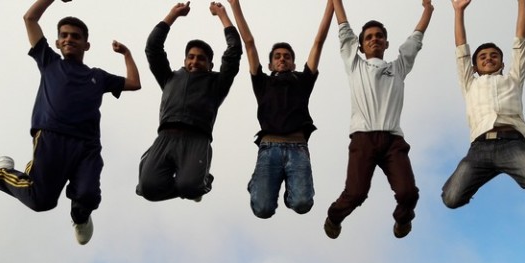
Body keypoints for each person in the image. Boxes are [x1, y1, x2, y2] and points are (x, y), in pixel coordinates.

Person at [0, 0, 141, 245]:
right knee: (41, 201)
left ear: (86, 44)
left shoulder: (97, 76)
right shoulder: (50, 61)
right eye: (64, 35)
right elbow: (30, 19)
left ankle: (80, 217)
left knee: (88, 194)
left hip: (87, 145)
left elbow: (134, 83)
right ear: (57, 43)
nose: (69, 39)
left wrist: (127, 55)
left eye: (76, 36)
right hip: (52, 137)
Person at [323, 0, 434, 239]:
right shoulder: (355, 65)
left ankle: (402, 220)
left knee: (408, 193)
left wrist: (428, 10)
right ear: (361, 46)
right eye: (369, 37)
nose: (375, 39)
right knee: (356, 193)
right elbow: (344, 29)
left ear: (386, 43)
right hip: (363, 138)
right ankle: (334, 216)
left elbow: (415, 39)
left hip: (393, 140)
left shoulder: (398, 67)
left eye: (379, 36)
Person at [441, 0, 525, 209]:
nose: (488, 59)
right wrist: (458, 12)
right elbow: (461, 50)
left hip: (512, 144)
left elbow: (520, 42)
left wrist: (522, 3)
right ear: (474, 67)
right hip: (479, 149)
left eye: (494, 56)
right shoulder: (470, 83)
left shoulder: (513, 79)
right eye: (483, 57)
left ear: (503, 63)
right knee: (451, 198)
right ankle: (484, 173)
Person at [227, 0, 334, 219]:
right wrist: (235, 6)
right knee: (262, 210)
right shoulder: (262, 82)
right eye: (277, 56)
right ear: (270, 65)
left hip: (298, 148)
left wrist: (332, 4)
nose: (282, 59)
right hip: (269, 148)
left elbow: (319, 41)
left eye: (287, 56)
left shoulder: (302, 81)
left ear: (293, 63)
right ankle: (258, 183)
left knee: (302, 204)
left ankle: (288, 187)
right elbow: (249, 43)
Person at [136, 1, 242, 203]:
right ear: (185, 61)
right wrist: (172, 15)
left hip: (197, 138)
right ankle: (181, 179)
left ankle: (200, 182)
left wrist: (222, 15)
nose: (194, 61)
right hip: (166, 135)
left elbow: (234, 51)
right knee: (147, 188)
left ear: (210, 65)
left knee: (190, 186)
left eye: (201, 59)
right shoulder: (169, 78)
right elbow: (153, 48)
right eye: (190, 57)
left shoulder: (217, 83)